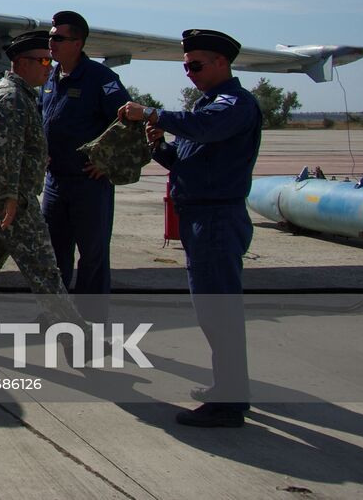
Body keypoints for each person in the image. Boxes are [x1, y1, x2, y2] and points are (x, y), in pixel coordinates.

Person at [119, 29, 261, 428]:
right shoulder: (207, 106)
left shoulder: (233, 105)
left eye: (196, 65)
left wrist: (151, 113)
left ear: (221, 63)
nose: (189, 73)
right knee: (212, 313)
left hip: (217, 219)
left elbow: (203, 129)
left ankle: (230, 404)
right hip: (201, 219)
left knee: (220, 313)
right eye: (185, 67)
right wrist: (159, 146)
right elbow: (189, 162)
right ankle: (227, 389)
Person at [0, 31, 84, 327]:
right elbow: (1, 150)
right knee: (43, 266)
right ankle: (77, 337)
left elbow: (11, 148)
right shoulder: (12, 98)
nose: (49, 66)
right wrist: (10, 196)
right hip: (11, 197)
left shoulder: (13, 94)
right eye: (43, 60)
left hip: (0, 193)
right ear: (22, 63)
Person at [41, 11, 130, 317]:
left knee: (92, 256)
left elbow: (128, 124)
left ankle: (91, 319)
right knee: (54, 255)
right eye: (50, 37)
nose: (51, 43)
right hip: (55, 184)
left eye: (58, 38)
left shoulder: (101, 79)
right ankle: (58, 314)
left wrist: (108, 163)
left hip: (88, 184)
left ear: (77, 43)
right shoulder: (50, 78)